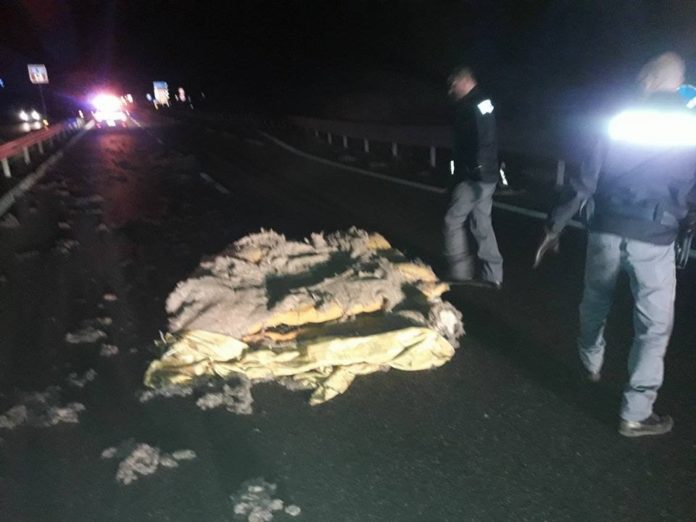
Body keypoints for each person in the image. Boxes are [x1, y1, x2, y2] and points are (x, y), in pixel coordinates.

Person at [535, 52, 696, 437]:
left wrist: (554, 226)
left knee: (595, 301)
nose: (638, 83)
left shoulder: (620, 118)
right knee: (653, 327)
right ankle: (635, 413)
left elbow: (585, 180)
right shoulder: (690, 124)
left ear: (652, 79)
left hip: (605, 229)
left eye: (642, 78)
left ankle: (589, 364)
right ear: (678, 83)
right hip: (655, 236)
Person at [443, 66, 503, 289]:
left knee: (452, 220)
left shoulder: (477, 103)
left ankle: (460, 272)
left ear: (464, 81)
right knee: (482, 224)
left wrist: (475, 169)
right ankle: (493, 275)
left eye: (453, 85)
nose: (450, 90)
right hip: (485, 175)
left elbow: (484, 138)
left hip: (475, 177)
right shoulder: (477, 102)